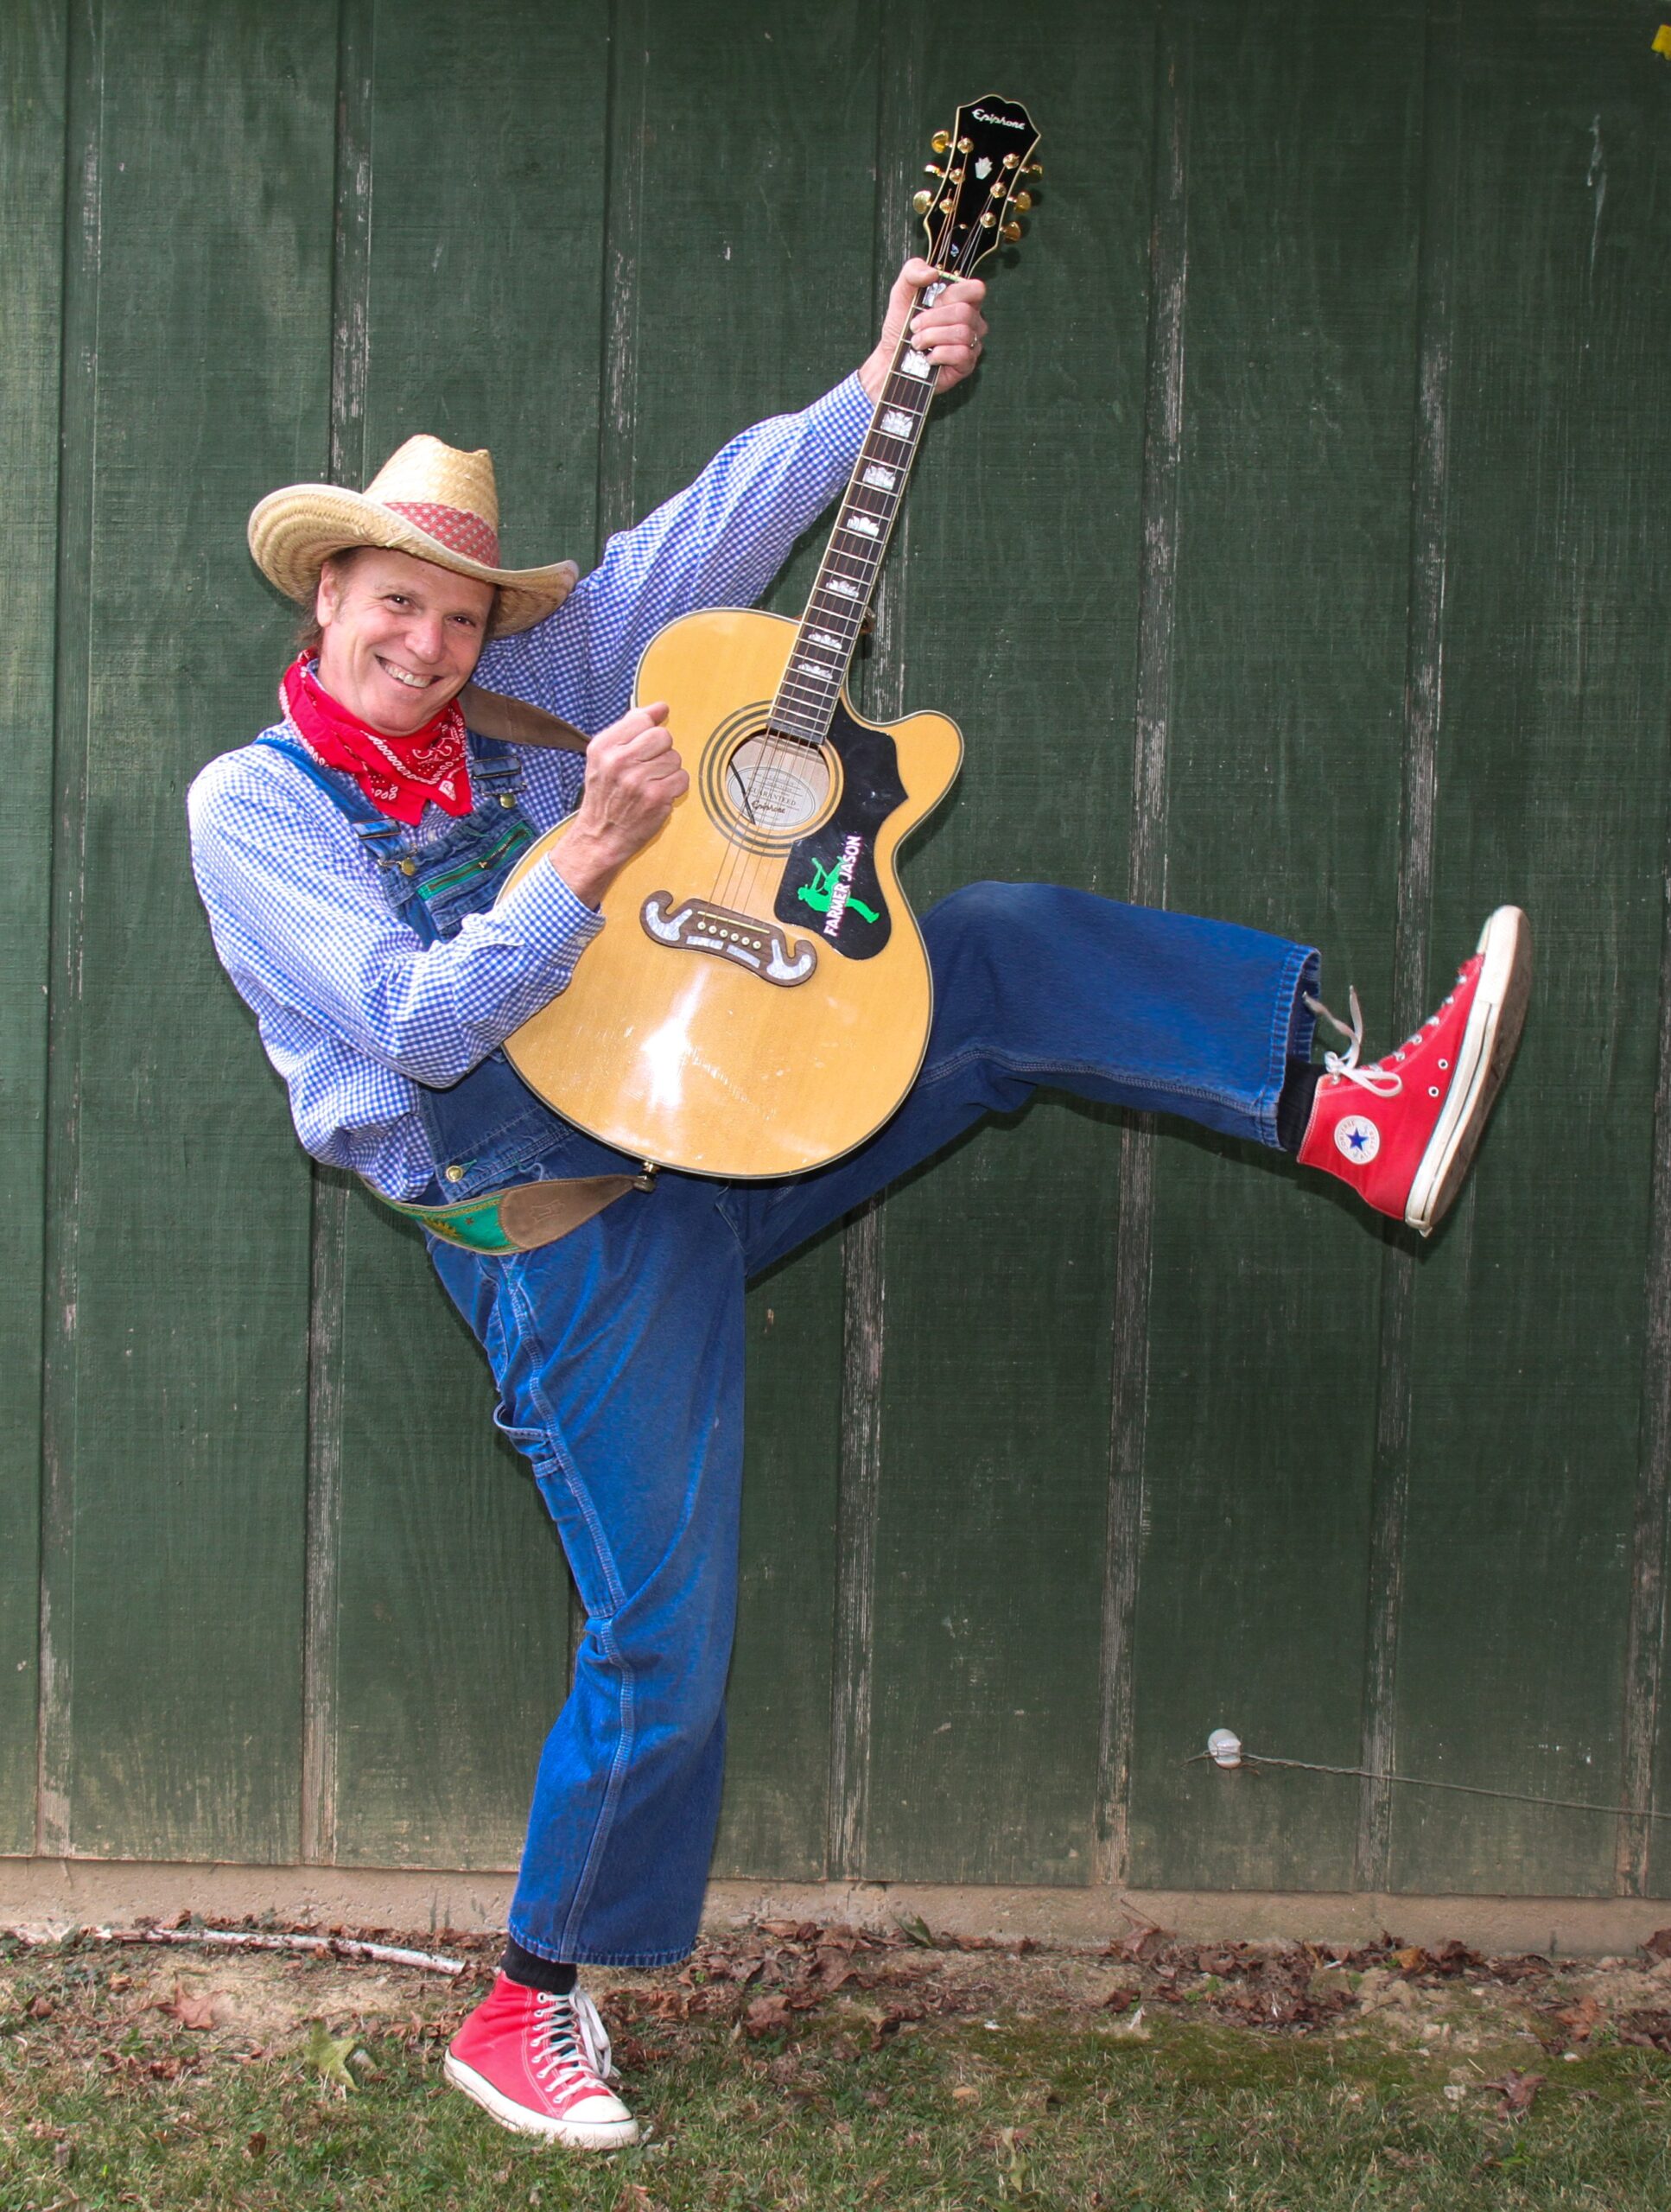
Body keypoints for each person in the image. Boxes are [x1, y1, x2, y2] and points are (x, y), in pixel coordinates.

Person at [188, 257, 1530, 2151]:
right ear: (326, 594)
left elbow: (710, 527)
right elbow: (414, 1029)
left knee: (987, 950)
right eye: (394, 600)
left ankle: (1342, 1108)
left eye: (459, 611)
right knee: (661, 1638)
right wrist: (586, 852)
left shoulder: (520, 695)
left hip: (715, 1111)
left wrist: (883, 373)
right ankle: (526, 2001)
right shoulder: (254, 808)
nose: (427, 639)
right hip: (563, 1224)